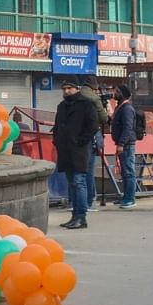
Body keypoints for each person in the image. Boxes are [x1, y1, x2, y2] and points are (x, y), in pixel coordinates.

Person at [54, 78, 99, 230]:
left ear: (77, 89)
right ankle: (74, 216)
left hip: (79, 150)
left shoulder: (86, 105)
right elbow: (57, 126)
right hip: (65, 150)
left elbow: (93, 125)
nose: (66, 91)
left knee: (79, 182)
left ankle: (81, 217)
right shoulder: (61, 106)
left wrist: (81, 141)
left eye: (69, 88)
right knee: (72, 184)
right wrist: (57, 141)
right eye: (64, 89)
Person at [79, 76, 109, 209]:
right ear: (94, 87)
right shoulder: (94, 98)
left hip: (77, 136)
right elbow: (104, 118)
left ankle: (76, 202)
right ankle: (90, 200)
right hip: (91, 135)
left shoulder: (76, 96)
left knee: (78, 172)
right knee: (89, 171)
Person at [110, 84, 138, 209]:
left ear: (122, 94)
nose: (114, 93)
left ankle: (130, 199)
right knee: (125, 172)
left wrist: (121, 143)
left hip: (126, 145)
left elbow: (128, 128)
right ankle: (125, 196)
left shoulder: (126, 109)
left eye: (116, 91)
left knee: (129, 172)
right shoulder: (120, 107)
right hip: (123, 144)